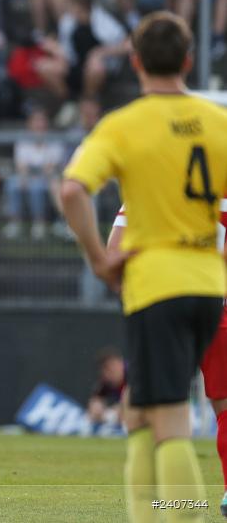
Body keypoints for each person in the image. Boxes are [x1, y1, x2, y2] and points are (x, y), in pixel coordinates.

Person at [61, 11, 227, 523]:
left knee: (159, 416)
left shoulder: (126, 125)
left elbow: (72, 190)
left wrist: (100, 259)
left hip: (158, 285)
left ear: (133, 62)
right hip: (212, 287)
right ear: (188, 59)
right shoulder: (219, 124)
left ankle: (177, 512)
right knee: (190, 407)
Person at [109, 200, 227, 516]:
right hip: (213, 299)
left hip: (158, 300)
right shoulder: (217, 173)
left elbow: (114, 249)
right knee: (224, 406)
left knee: (149, 411)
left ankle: (157, 506)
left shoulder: (144, 180)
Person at [34, 0, 128, 130]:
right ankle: (71, 102)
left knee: (95, 67)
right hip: (75, 69)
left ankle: (87, 102)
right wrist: (56, 51)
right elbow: (67, 54)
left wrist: (99, 52)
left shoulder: (104, 22)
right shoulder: (68, 22)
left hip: (99, 73)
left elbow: (128, 44)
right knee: (44, 66)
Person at [2, 107, 65, 239]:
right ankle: (15, 222)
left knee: (36, 187)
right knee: (12, 184)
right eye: (36, 121)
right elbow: (21, 165)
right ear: (29, 124)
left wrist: (37, 171)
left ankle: (39, 223)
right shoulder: (23, 139)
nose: (39, 124)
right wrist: (25, 176)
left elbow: (52, 166)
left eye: (42, 121)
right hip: (28, 176)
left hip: (48, 178)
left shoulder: (54, 139)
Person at [86, 347, 126, 425]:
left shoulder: (134, 376)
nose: (109, 373)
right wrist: (97, 410)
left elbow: (130, 409)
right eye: (105, 369)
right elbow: (94, 407)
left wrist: (109, 415)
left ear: (120, 363)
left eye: (112, 367)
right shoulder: (106, 382)